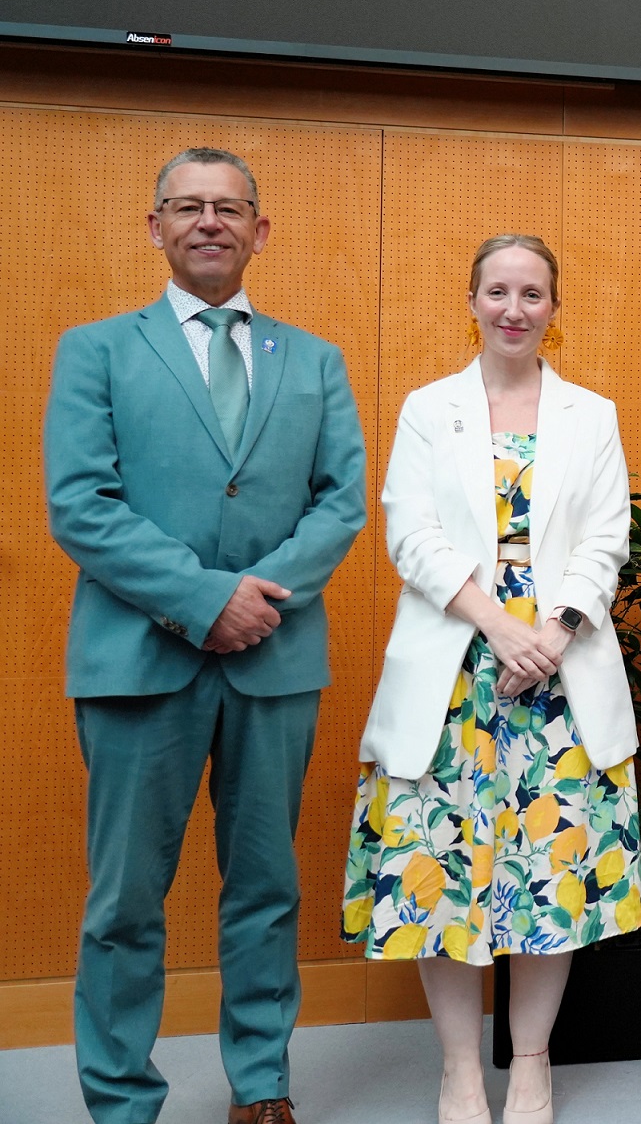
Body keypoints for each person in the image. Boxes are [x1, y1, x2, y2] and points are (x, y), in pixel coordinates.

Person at [44, 148, 367, 1124]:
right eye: (188, 207)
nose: (209, 222)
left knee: (265, 888)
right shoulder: (94, 349)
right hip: (136, 666)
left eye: (229, 208)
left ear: (259, 229)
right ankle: (120, 1098)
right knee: (124, 903)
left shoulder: (313, 360)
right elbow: (81, 503)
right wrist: (203, 599)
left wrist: (255, 600)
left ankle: (261, 1085)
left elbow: (340, 500)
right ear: (156, 227)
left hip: (273, 663)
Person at [342, 234, 639, 1124]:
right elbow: (410, 531)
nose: (515, 308)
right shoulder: (430, 408)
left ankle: (535, 1063)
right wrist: (500, 625)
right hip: (456, 669)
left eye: (533, 293)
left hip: (560, 672)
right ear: (470, 299)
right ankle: (460, 1070)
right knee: (447, 869)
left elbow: (607, 537)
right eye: (499, 291)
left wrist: (550, 632)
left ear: (555, 306)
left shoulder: (592, 413)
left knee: (551, 867)